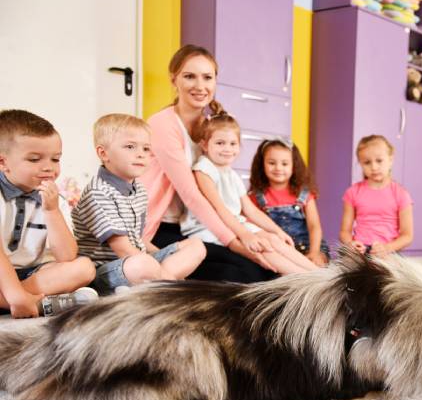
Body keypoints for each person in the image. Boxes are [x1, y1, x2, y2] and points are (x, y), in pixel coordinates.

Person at [142, 44, 277, 283]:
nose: (200, 86)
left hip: (201, 224)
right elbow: (192, 195)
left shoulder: (212, 126)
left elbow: (222, 193)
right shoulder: (163, 124)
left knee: (265, 267)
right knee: (246, 272)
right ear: (174, 80)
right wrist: (236, 243)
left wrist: (261, 233)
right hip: (164, 228)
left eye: (207, 77)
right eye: (189, 76)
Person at [72, 114, 206, 295]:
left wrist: (162, 258)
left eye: (146, 148)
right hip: (107, 270)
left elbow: (139, 240)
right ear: (103, 154)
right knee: (143, 264)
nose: (141, 154)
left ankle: (159, 283)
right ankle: (167, 286)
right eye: (130, 147)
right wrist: (155, 266)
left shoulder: (139, 190)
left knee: (196, 245)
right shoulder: (98, 192)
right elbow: (121, 248)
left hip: (137, 258)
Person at [182, 114, 316, 274]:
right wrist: (245, 235)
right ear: (204, 144)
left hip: (233, 223)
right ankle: (307, 279)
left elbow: (251, 210)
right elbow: (219, 210)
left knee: (273, 239)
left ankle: (321, 275)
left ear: (239, 146)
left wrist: (278, 231)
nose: (227, 149)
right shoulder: (203, 169)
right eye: (220, 143)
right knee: (263, 247)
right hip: (210, 227)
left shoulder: (231, 174)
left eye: (233, 144)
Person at [0, 109, 97, 317]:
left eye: (55, 159)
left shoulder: (52, 198)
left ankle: (19, 302)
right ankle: (26, 302)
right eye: (34, 159)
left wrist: (52, 211)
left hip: (30, 273)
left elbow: (66, 256)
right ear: (2, 162)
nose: (48, 168)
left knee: (84, 268)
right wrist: (16, 295)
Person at [248, 139, 329, 266]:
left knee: (318, 268)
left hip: (309, 245)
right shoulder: (256, 196)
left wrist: (314, 252)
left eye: (284, 164)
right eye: (271, 163)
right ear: (262, 165)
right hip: (278, 249)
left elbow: (314, 226)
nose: (278, 168)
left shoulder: (304, 194)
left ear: (294, 166)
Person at [339, 135, 413, 258]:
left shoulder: (401, 194)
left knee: (386, 271)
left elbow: (407, 235)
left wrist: (387, 248)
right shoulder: (352, 192)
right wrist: (351, 243)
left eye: (379, 161)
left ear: (390, 160)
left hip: (389, 251)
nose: (374, 167)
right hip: (360, 250)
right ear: (361, 164)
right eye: (367, 162)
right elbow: (344, 232)